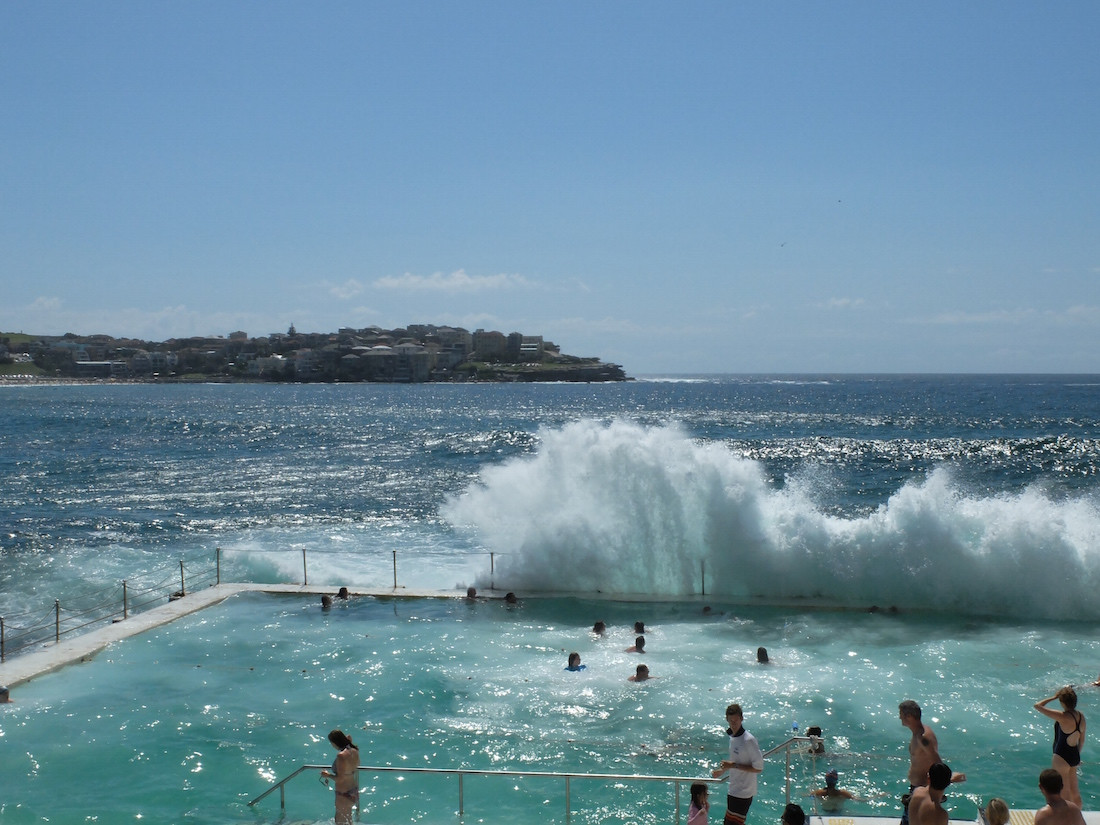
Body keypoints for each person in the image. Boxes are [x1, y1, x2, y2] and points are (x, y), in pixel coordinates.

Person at [899, 700, 966, 825]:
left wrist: (948, 778)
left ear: (909, 716)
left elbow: (937, 761)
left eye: (901, 714)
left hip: (924, 789)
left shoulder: (923, 738)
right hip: (918, 788)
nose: (899, 717)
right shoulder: (918, 733)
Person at [711, 703, 763, 825]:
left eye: (736, 720)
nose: (733, 724)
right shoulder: (733, 737)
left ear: (741, 718)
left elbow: (759, 768)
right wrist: (723, 770)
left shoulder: (748, 740)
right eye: (731, 721)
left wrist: (732, 766)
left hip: (744, 792)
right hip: (733, 789)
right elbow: (736, 760)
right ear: (727, 720)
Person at [1034, 686, 1086, 807]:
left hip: (1061, 757)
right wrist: (1077, 755)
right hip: (1074, 755)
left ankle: (1067, 819)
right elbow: (1081, 741)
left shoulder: (1063, 717)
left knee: (1064, 792)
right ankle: (1077, 815)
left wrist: (1054, 696)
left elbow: (1037, 706)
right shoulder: (1081, 717)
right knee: (1075, 792)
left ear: (1062, 702)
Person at [320, 728, 360, 825]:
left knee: (339, 821)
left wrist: (327, 775)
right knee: (349, 819)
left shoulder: (341, 756)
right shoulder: (354, 750)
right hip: (353, 789)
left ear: (334, 743)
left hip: (343, 793)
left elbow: (340, 779)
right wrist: (348, 741)